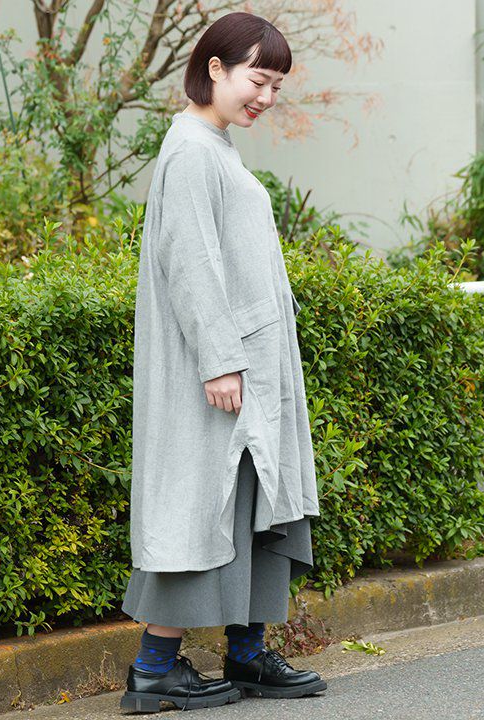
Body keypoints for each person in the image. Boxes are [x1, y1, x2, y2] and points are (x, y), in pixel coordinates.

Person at [119, 11, 327, 714]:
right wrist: (219, 361)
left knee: (247, 502)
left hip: (248, 367)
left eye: (276, 86)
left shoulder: (215, 145)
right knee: (198, 507)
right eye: (257, 80)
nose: (266, 97)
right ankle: (154, 670)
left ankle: (247, 655)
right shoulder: (190, 150)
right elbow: (191, 263)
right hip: (223, 372)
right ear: (215, 68)